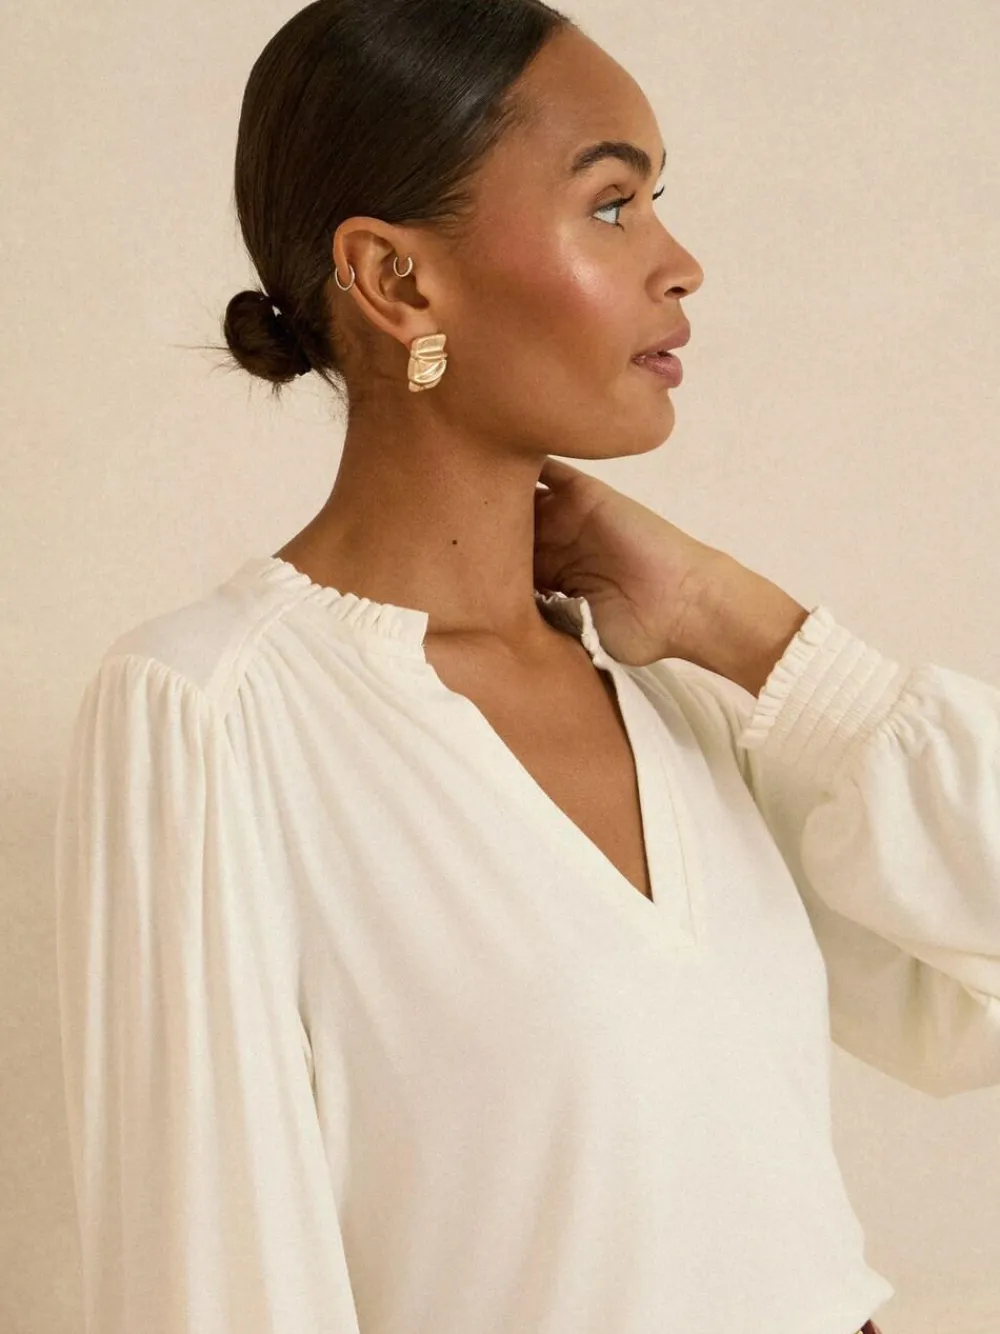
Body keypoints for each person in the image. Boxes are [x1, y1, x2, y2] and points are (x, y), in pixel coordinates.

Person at [54, 2, 999, 1331]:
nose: (682, 263)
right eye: (611, 203)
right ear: (397, 280)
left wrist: (740, 622)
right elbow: (212, 1286)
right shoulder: (214, 712)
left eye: (658, 201)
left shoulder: (672, 694)